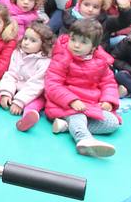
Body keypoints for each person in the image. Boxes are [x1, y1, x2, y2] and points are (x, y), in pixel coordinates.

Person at [45, 18, 122, 157]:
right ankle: (84, 140)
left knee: (113, 123)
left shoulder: (100, 61)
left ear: (93, 47)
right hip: (64, 105)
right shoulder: (62, 58)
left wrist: (108, 101)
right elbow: (52, 84)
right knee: (78, 116)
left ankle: (66, 127)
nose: (76, 45)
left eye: (83, 42)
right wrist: (72, 100)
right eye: (73, 39)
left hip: (90, 104)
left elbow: (108, 82)